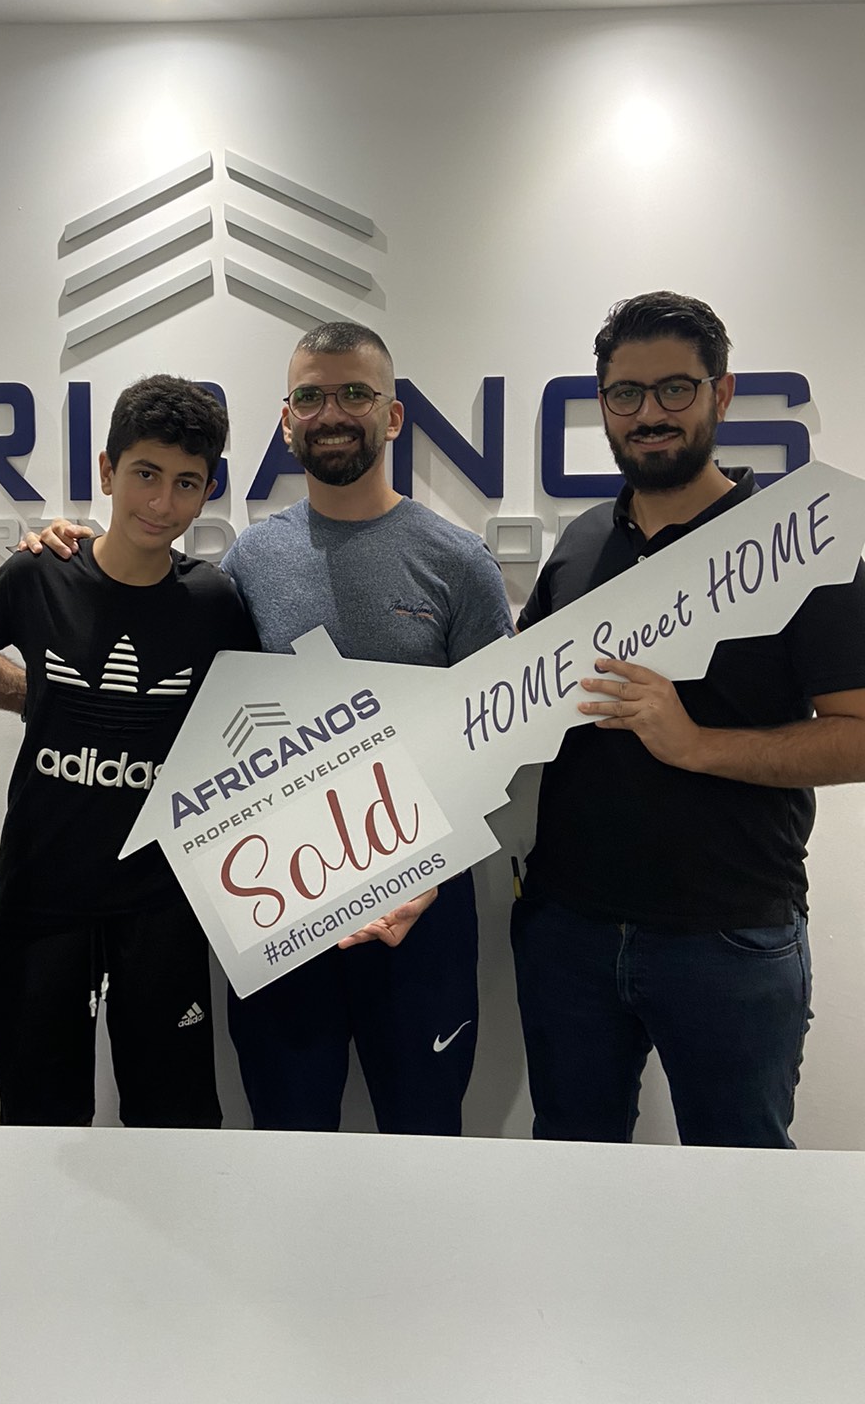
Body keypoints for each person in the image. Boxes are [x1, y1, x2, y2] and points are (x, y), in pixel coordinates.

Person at [512, 290, 865, 1147]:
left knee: (740, 1183)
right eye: (626, 394)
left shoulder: (795, 545)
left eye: (675, 388)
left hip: (730, 936)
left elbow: (858, 736)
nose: (650, 414)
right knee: (570, 1173)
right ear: (603, 405)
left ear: (721, 393)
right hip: (569, 932)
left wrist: (696, 744)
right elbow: (515, 713)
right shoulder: (582, 542)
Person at [219, 321, 513, 1135]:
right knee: (286, 1138)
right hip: (279, 902)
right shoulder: (248, 564)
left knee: (424, 1142)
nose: (332, 413)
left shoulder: (457, 561)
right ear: (287, 420)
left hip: (423, 904)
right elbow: (216, 730)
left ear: (392, 415)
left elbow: (500, 737)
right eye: (310, 397)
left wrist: (431, 869)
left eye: (355, 393)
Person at [0, 376, 258, 1127]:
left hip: (161, 905)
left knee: (176, 1126)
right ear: (107, 471)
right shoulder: (38, 573)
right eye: (145, 474)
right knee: (38, 1126)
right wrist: (36, 695)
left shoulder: (215, 603)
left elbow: (260, 734)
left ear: (208, 492)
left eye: (186, 483)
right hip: (41, 900)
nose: (161, 502)